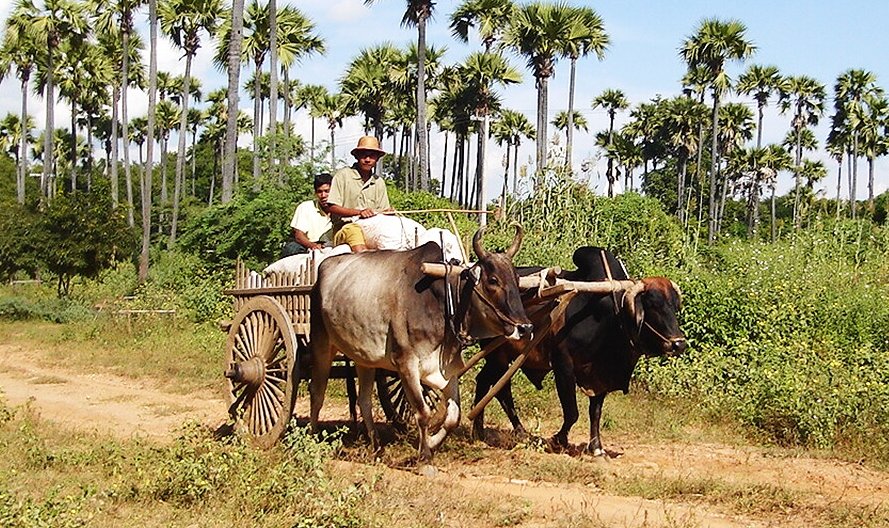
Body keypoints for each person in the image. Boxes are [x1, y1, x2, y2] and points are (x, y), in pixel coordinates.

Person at [326, 136, 392, 252]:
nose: (367, 159)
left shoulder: (379, 182)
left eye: (372, 156)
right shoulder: (343, 176)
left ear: (377, 159)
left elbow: (383, 211)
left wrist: (389, 212)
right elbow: (332, 207)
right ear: (357, 156)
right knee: (354, 232)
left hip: (372, 229)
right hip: (345, 227)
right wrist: (359, 213)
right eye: (364, 155)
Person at [281, 173, 333, 257]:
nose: (323, 196)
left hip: (331, 247)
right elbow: (299, 235)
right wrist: (313, 246)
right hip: (307, 247)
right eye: (320, 192)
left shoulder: (341, 210)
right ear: (315, 193)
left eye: (327, 191)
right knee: (292, 248)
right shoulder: (305, 207)